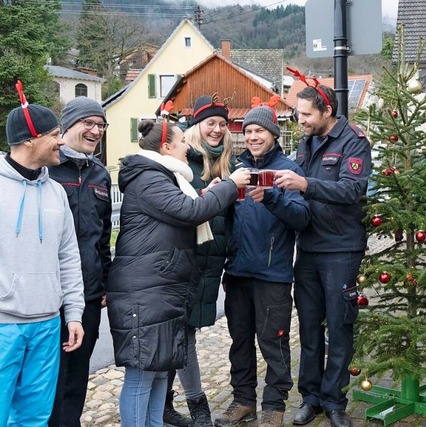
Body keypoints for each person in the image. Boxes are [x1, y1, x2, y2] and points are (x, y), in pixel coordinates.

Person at [106, 120, 249, 427]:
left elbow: (184, 207)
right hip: (146, 291)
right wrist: (229, 184)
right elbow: (190, 212)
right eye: (183, 140)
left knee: (159, 371)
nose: (188, 146)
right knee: (143, 373)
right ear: (166, 146)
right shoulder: (149, 178)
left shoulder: (166, 178)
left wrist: (205, 194)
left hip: (162, 289)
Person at [274, 85, 371, 427]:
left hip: (341, 250)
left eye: (306, 114)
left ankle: (335, 402)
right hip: (309, 248)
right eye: (299, 114)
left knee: (340, 328)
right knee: (310, 328)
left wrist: (305, 185)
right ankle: (310, 398)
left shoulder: (354, 141)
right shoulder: (306, 140)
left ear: (326, 111)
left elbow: (351, 189)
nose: (300, 120)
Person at [214, 104, 310, 427]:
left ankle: (274, 405)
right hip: (238, 272)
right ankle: (243, 401)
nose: (253, 136)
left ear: (273, 134)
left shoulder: (288, 170)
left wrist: (271, 197)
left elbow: (301, 218)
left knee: (274, 342)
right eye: (249, 132)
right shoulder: (237, 169)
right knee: (239, 341)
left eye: (260, 131)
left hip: (273, 275)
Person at [0, 92, 85, 425]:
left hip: (48, 325)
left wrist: (74, 313)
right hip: (4, 324)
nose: (61, 141)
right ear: (29, 139)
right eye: (53, 135)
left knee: (35, 418)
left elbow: (68, 257)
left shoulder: (56, 193)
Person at [163, 95, 237, 427]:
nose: (218, 129)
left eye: (223, 124)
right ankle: (199, 410)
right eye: (211, 123)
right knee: (182, 336)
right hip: (184, 264)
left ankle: (164, 406)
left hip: (210, 264)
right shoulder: (183, 165)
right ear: (197, 126)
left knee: (180, 334)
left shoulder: (226, 165)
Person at [48, 97, 112, 427]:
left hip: (87, 294)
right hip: (48, 296)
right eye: (88, 123)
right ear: (68, 125)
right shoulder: (46, 169)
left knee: (77, 375)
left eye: (100, 125)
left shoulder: (100, 174)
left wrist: (104, 282)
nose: (95, 130)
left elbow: (102, 236)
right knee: (47, 379)